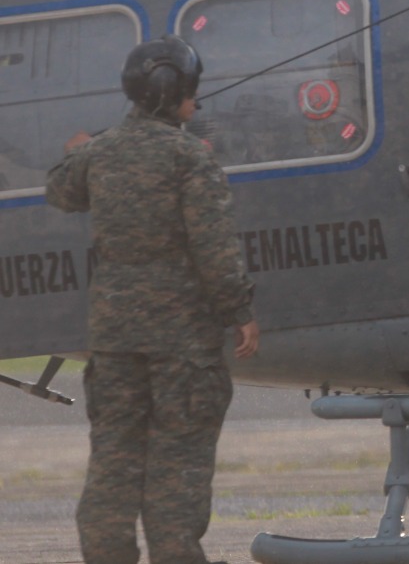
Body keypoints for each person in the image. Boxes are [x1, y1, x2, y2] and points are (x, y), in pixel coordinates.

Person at [46, 35, 259, 564]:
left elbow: (59, 190)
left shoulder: (100, 152)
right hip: (182, 343)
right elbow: (214, 248)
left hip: (115, 340)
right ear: (175, 95)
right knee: (178, 460)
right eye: (192, 91)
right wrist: (239, 312)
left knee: (114, 456)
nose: (197, 101)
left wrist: (75, 151)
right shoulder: (190, 158)